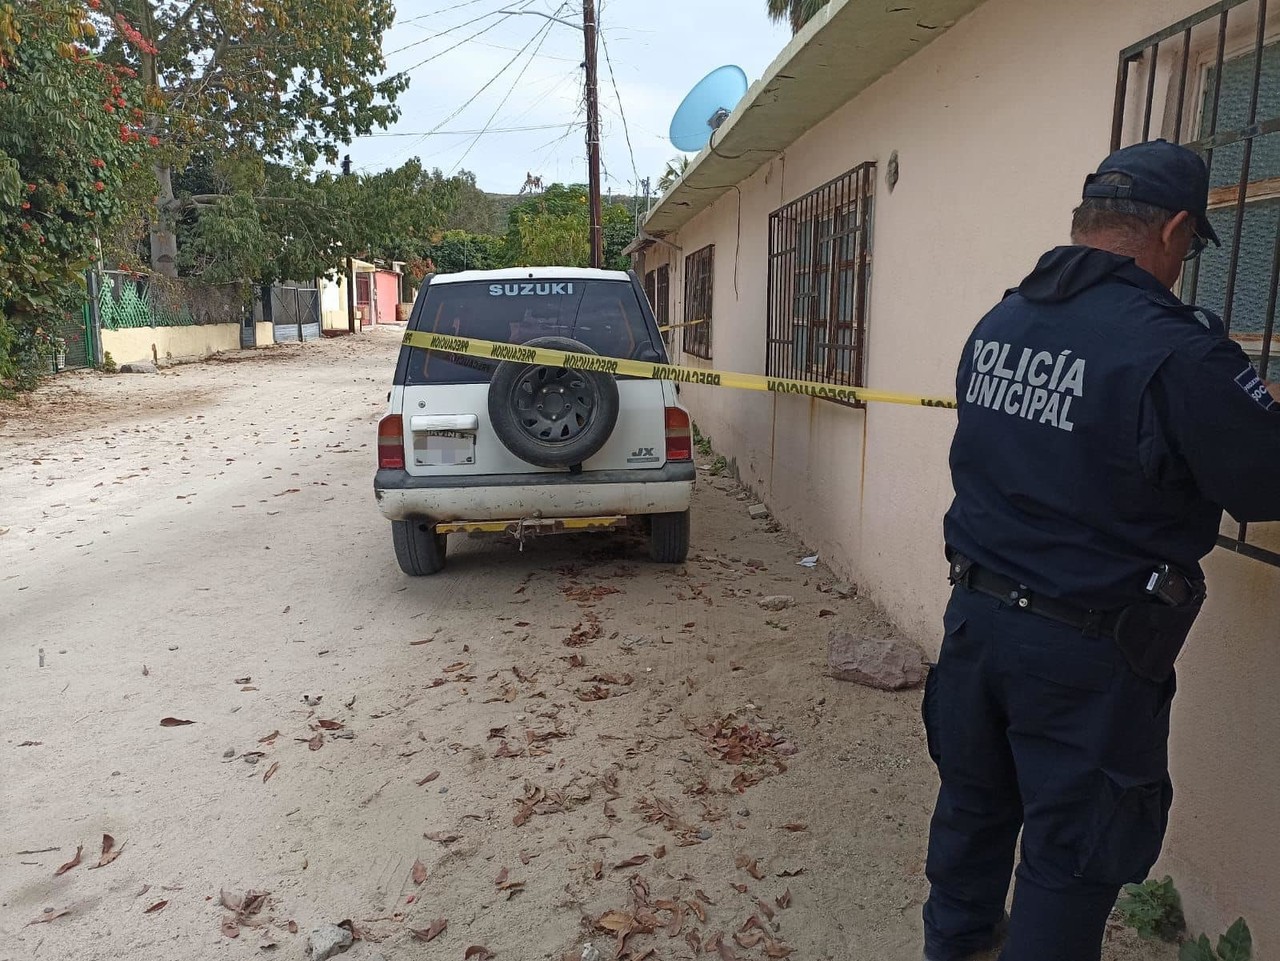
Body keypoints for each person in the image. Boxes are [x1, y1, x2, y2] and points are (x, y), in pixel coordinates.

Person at [922, 139, 1280, 961]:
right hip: (1084, 657)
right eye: (1189, 248)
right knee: (1068, 863)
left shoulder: (1001, 320)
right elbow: (1266, 483)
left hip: (975, 626)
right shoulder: (1178, 350)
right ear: (1176, 230)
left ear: (1087, 223)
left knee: (971, 821)